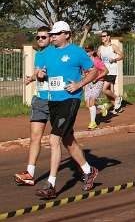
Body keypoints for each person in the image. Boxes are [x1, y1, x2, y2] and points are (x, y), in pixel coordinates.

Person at [34, 21, 100, 199]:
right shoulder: (47, 53)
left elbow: (93, 71)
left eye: (56, 34)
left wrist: (79, 84)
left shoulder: (77, 52)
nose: (52, 37)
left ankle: (51, 184)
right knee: (68, 139)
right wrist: (40, 75)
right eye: (52, 34)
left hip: (70, 100)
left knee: (54, 139)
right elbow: (41, 73)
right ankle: (89, 170)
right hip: (53, 101)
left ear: (67, 35)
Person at [14, 26, 51, 186]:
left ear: (51, 38)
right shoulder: (39, 55)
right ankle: (30, 173)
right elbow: (38, 72)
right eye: (38, 37)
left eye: (43, 37)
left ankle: (84, 168)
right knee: (35, 137)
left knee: (66, 139)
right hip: (40, 100)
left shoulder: (55, 54)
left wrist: (45, 75)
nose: (40, 40)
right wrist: (33, 77)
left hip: (56, 100)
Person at [98, 31, 125, 114]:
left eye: (104, 36)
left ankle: (117, 98)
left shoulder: (113, 46)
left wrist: (114, 59)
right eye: (101, 36)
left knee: (104, 89)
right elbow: (98, 60)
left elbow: (122, 55)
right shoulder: (100, 48)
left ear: (108, 37)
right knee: (108, 92)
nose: (102, 37)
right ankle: (117, 108)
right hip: (104, 71)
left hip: (112, 71)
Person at [84, 45, 109, 130]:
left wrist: (97, 78)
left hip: (98, 82)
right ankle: (102, 107)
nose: (86, 53)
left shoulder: (97, 61)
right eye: (85, 51)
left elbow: (106, 71)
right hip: (88, 83)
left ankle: (93, 123)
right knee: (88, 105)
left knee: (91, 101)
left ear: (92, 52)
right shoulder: (84, 62)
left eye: (88, 51)